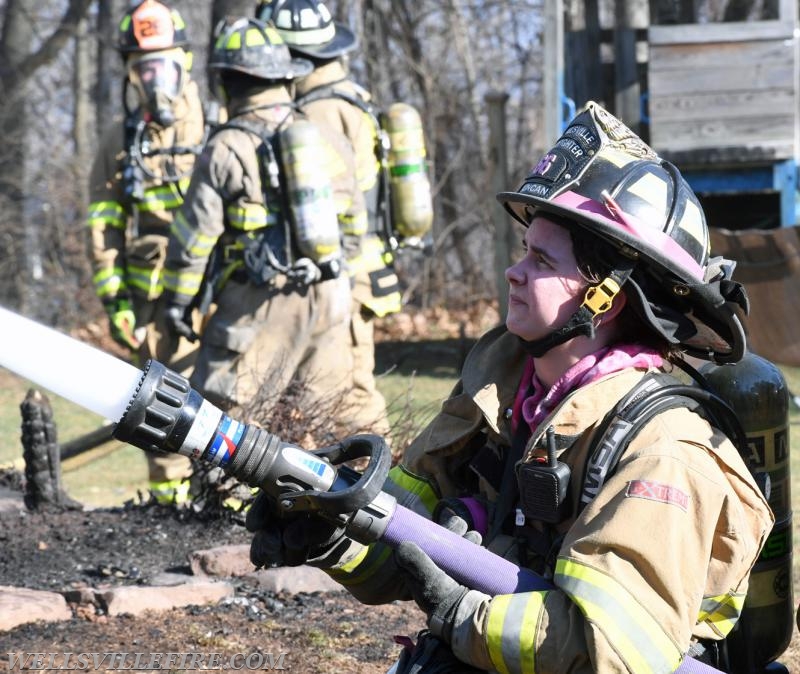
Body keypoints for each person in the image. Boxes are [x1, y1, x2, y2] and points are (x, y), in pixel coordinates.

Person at [246, 102, 774, 672]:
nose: (513, 272)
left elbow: (611, 652)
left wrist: (461, 616)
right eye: (525, 250)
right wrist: (326, 533)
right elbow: (403, 539)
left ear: (607, 298)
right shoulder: (500, 398)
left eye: (542, 260)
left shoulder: (665, 454)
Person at [162, 17, 365, 425]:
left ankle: (220, 493)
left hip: (261, 301)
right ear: (284, 78)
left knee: (223, 427)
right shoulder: (321, 134)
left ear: (227, 82)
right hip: (331, 296)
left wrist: (178, 303)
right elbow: (354, 221)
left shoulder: (226, 147)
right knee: (323, 428)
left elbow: (194, 241)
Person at [255, 0, 410, 436]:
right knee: (327, 391)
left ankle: (380, 490)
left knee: (347, 397)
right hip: (364, 270)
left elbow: (334, 204)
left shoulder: (318, 113)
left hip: (346, 276)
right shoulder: (348, 96)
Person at [86, 0, 205, 503]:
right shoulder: (120, 138)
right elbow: (103, 224)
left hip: (216, 290)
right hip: (151, 297)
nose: (154, 79)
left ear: (184, 65)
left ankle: (232, 511)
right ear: (131, 76)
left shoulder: (214, 125)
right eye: (143, 69)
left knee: (234, 401)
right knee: (161, 408)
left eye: (162, 66)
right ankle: (169, 510)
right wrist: (116, 304)